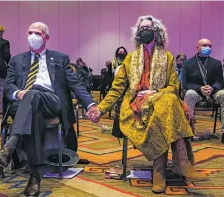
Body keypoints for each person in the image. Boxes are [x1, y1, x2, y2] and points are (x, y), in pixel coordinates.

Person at [86, 15, 208, 194]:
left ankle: (160, 171)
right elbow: (116, 89)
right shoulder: (130, 58)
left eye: (148, 27)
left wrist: (155, 92)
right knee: (168, 104)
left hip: (161, 101)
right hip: (136, 105)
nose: (144, 30)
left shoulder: (167, 57)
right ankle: (180, 163)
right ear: (137, 33)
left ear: (156, 31)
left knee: (166, 102)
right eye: (141, 28)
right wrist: (100, 108)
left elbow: (174, 87)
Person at [0, 22, 97, 197]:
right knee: (34, 114)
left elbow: (75, 84)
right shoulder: (16, 60)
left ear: (46, 38)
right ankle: (34, 176)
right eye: (30, 32)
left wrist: (91, 105)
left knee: (34, 94)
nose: (32, 36)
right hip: (22, 103)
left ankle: (11, 145)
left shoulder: (60, 58)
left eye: (37, 33)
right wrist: (17, 93)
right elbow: (8, 86)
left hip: (51, 101)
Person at [182, 39, 224, 142]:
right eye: (205, 45)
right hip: (196, 91)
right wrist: (199, 88)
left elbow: (220, 81)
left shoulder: (216, 63)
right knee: (189, 94)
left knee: (223, 94)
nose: (208, 48)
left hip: (213, 91)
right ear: (197, 48)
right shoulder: (188, 63)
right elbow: (186, 83)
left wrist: (213, 88)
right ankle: (189, 132)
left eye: (210, 46)